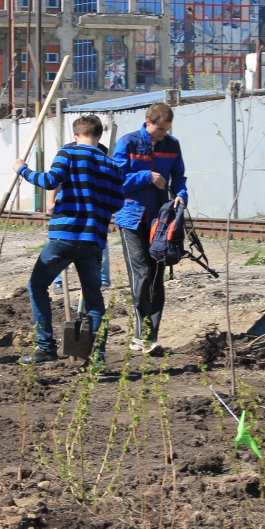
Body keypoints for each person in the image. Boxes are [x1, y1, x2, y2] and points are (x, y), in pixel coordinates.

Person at [12, 115, 124, 366]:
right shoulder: (112, 165)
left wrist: (22, 169)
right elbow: (117, 202)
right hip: (94, 240)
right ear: (99, 136)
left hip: (65, 236)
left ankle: (45, 347)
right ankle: (96, 357)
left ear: (76, 135)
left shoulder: (68, 153)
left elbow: (50, 181)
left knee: (37, 285)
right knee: (94, 299)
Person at [113, 102, 187, 357]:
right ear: (148, 122)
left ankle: (149, 337)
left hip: (158, 219)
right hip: (130, 217)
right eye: (159, 130)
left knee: (157, 275)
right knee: (142, 272)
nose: (162, 135)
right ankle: (140, 335)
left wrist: (181, 195)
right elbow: (116, 180)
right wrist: (147, 176)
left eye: (166, 131)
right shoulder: (128, 143)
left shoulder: (172, 145)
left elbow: (179, 177)